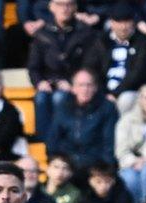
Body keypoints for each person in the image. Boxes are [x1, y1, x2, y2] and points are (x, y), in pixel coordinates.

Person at [28, 0, 96, 141]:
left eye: (69, 4)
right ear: (51, 7)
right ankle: (44, 143)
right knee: (40, 98)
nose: (64, 8)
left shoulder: (85, 32)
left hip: (73, 83)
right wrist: (39, 82)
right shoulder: (41, 33)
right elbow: (33, 66)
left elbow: (89, 65)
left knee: (60, 97)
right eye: (60, 4)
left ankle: (61, 140)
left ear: (75, 7)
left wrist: (73, 83)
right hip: (48, 82)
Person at [83, 2, 146, 115]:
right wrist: (104, 93)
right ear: (111, 23)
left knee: (126, 100)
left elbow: (138, 73)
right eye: (119, 22)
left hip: (130, 91)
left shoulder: (143, 42)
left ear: (133, 22)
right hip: (103, 91)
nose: (123, 27)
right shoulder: (101, 41)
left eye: (127, 22)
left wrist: (116, 93)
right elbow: (91, 69)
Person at [45, 68, 118, 173]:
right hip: (67, 163)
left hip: (94, 163)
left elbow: (109, 142)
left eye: (89, 85)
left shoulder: (107, 107)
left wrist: (105, 169)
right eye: (81, 85)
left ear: (95, 88)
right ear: (73, 88)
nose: (85, 89)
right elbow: (53, 138)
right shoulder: (63, 107)